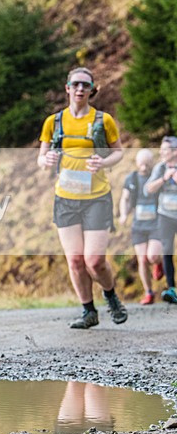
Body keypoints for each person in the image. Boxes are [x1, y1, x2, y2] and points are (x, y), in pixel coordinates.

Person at [38, 67, 126, 329]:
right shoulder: (53, 122)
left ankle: (110, 295)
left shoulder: (103, 120)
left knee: (95, 260)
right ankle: (89, 311)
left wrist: (104, 162)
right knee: (75, 259)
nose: (80, 89)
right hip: (65, 197)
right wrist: (47, 159)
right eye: (75, 84)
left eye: (85, 85)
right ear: (67, 88)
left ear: (91, 90)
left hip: (97, 197)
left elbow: (118, 153)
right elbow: (41, 158)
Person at [119, 149, 163, 305]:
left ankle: (159, 262)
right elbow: (124, 198)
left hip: (156, 224)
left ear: (152, 162)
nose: (144, 167)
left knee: (153, 256)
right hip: (138, 225)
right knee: (142, 259)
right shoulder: (131, 178)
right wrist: (123, 214)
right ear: (137, 163)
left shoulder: (158, 177)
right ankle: (148, 292)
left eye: (148, 164)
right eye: (142, 164)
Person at [145, 136, 177, 304]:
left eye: (165, 150)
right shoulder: (160, 167)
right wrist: (164, 178)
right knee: (167, 250)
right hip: (165, 215)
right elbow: (148, 189)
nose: (161, 152)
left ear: (175, 152)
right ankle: (172, 289)